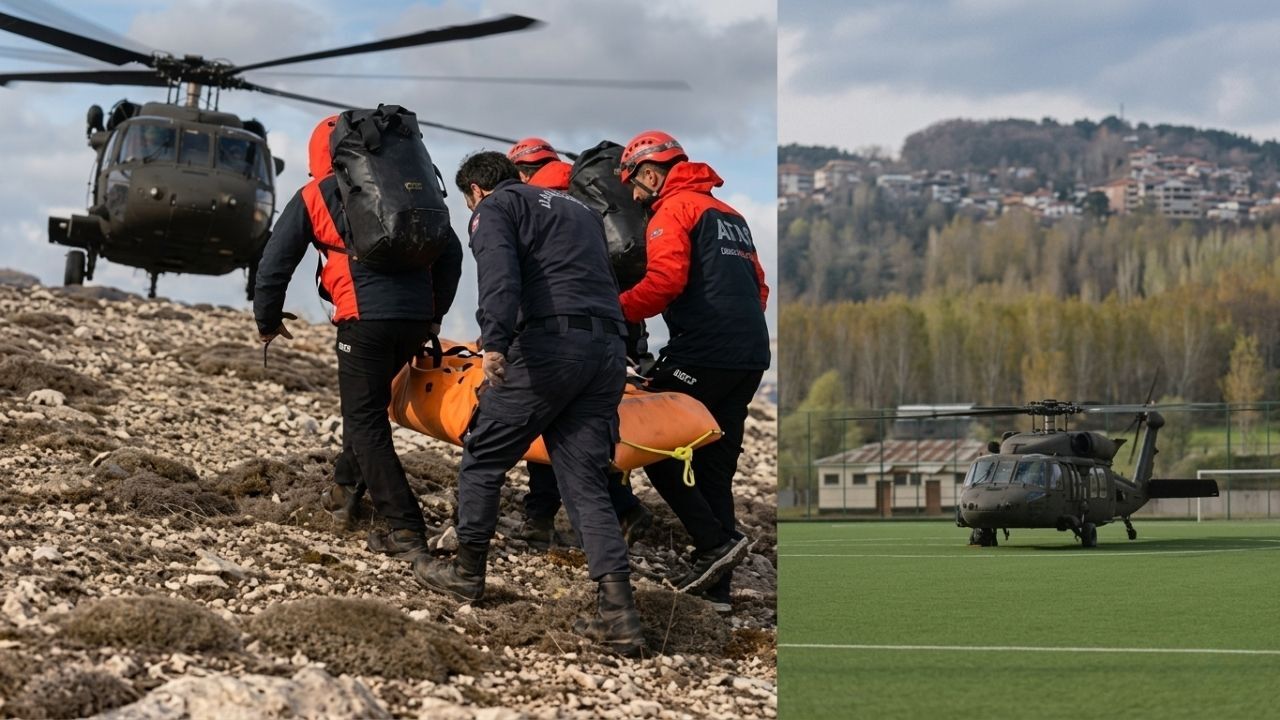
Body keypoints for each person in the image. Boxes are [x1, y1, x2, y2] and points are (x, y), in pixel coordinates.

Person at [414, 151, 644, 657]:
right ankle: (619, 615)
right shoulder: (580, 209)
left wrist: (495, 343)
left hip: (549, 348)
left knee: (485, 455)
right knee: (585, 481)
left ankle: (466, 573)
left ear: (476, 190)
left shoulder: (495, 208)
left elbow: (499, 275)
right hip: (608, 349)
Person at [253, 114, 463, 561]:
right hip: (414, 320)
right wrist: (433, 317)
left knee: (365, 420)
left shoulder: (315, 193)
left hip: (364, 319)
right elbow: (452, 253)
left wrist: (267, 319)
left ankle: (405, 528)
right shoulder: (410, 189)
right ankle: (344, 493)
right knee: (366, 408)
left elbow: (275, 261)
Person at [615, 130, 770, 610]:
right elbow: (760, 288)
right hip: (751, 355)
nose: (634, 198)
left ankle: (713, 542)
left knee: (653, 441)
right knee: (713, 466)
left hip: (704, 353)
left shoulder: (674, 210)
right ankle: (718, 590)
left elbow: (664, 281)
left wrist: (612, 308)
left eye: (633, 185)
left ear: (649, 173)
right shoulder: (731, 215)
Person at [504, 137, 653, 552]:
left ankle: (544, 516)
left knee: (548, 419)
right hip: (620, 324)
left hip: (563, 330)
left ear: (521, 173)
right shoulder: (589, 198)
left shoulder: (534, 204)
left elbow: (530, 277)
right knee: (595, 424)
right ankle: (620, 508)